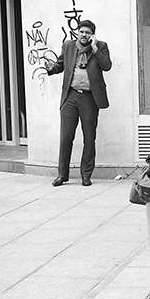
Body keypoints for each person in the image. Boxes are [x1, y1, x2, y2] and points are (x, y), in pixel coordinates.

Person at [45, 19, 112, 186]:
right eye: (82, 31)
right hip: (71, 97)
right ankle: (62, 175)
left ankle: (86, 176)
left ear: (92, 35)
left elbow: (107, 66)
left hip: (90, 98)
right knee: (65, 137)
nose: (84, 35)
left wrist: (95, 49)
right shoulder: (68, 46)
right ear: (77, 32)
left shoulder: (101, 46)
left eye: (88, 33)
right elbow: (60, 65)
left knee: (89, 138)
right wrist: (51, 68)